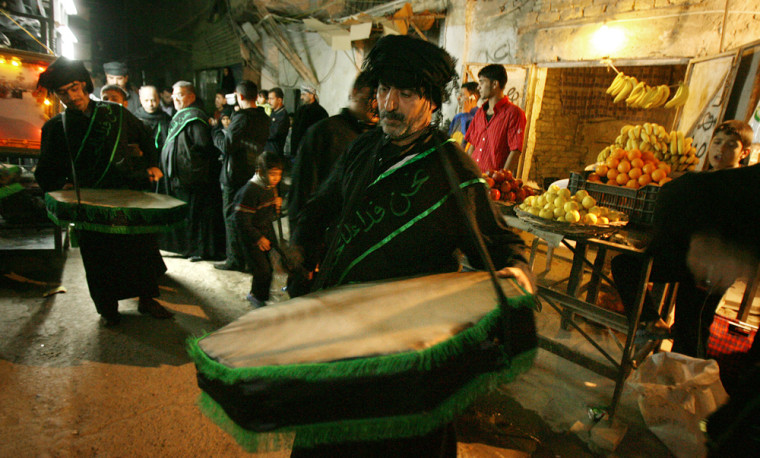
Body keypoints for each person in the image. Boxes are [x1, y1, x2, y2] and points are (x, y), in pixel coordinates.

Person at [289, 35, 534, 456]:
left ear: (432, 103)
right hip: (343, 335)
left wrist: (517, 279)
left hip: (406, 351)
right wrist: (300, 250)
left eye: (405, 94)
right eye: (384, 90)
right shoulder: (363, 149)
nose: (388, 104)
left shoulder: (451, 167)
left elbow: (500, 244)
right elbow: (319, 207)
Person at [34, 57, 172, 325]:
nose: (71, 97)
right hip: (89, 204)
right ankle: (108, 309)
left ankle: (146, 299)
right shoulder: (55, 128)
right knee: (99, 259)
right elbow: (45, 171)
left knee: (138, 250)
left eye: (75, 88)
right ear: (57, 95)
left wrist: (152, 164)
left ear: (85, 85)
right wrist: (60, 186)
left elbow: (144, 136)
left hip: (127, 196)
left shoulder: (115, 113)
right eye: (63, 92)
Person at [611, 120, 755, 357]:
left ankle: (686, 378)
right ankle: (651, 322)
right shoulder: (700, 181)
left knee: (691, 325)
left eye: (731, 146)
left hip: (711, 270)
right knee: (624, 265)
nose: (721, 150)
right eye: (717, 143)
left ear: (744, 153)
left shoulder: (741, 186)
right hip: (685, 259)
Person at [288, 71, 377, 229]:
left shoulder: (378, 138)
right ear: (355, 92)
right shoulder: (324, 132)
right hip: (325, 232)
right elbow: (301, 191)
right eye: (373, 95)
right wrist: (299, 238)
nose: (377, 104)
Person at [160, 80, 225, 261]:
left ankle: (198, 249)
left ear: (191, 97)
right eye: (174, 95)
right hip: (181, 178)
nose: (175, 99)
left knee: (195, 216)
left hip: (193, 178)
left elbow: (203, 146)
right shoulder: (180, 116)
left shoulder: (195, 118)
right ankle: (188, 247)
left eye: (180, 95)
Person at [213, 80, 271, 272]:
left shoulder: (242, 117)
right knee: (249, 218)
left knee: (232, 217)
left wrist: (215, 131)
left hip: (235, 174)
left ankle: (235, 260)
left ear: (240, 96)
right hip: (253, 172)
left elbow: (227, 145)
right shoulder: (263, 117)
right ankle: (249, 259)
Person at [233, 152, 283, 308]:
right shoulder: (251, 190)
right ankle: (255, 296)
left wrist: (276, 207)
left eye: (279, 174)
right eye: (273, 174)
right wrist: (258, 238)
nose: (276, 178)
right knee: (263, 269)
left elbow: (270, 216)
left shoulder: (270, 187)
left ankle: (261, 295)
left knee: (267, 267)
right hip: (251, 236)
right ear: (260, 172)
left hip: (264, 233)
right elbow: (241, 219)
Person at [465, 64, 526, 173]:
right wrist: (466, 172)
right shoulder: (480, 112)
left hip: (493, 183)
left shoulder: (513, 113)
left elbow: (515, 151)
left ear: (494, 84)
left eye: (482, 82)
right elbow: (472, 146)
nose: (478, 87)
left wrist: (502, 180)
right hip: (474, 178)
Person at [288, 84, 328, 161]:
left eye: (303, 94)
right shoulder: (300, 110)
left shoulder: (320, 112)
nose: (301, 97)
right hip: (298, 152)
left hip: (311, 153)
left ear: (311, 95)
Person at [134, 85, 171, 152]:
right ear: (140, 100)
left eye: (153, 100)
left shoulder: (166, 119)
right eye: (146, 100)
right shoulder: (135, 119)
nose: (150, 104)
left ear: (158, 99)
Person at [448, 81, 479, 147]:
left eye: (462, 95)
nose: (458, 98)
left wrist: (465, 114)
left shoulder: (480, 117)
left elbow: (469, 138)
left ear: (473, 97)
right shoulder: (457, 117)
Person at [265, 87, 289, 156]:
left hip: (274, 153)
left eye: (271, 99)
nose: (269, 102)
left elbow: (272, 134)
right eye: (268, 99)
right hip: (268, 150)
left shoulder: (282, 116)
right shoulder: (274, 112)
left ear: (279, 100)